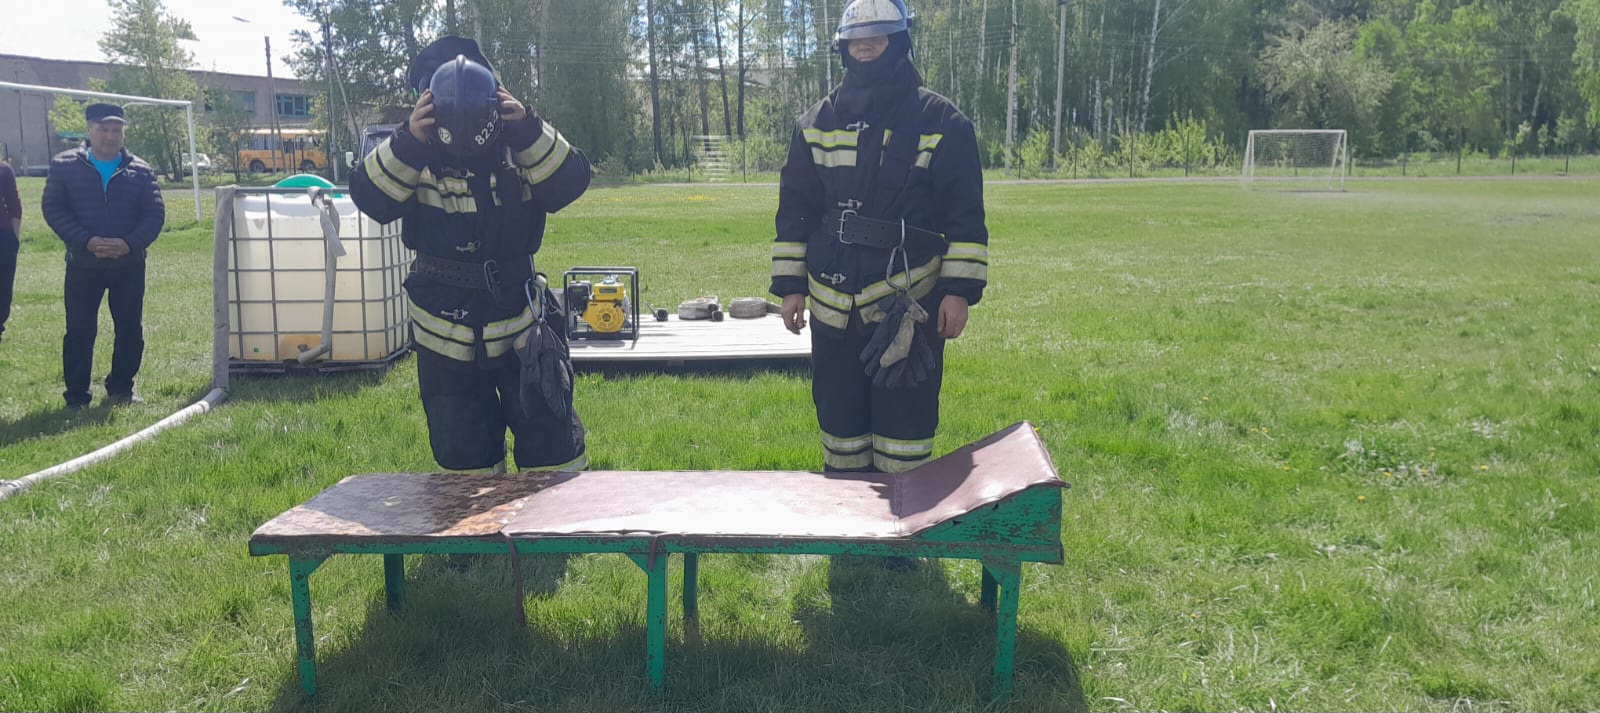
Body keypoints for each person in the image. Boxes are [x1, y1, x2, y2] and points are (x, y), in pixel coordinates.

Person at [350, 37, 591, 473]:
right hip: (443, 333)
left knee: (551, 447)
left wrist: (528, 129)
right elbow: (370, 198)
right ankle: (475, 520)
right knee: (464, 457)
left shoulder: (520, 141)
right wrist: (408, 143)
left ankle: (555, 518)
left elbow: (572, 180)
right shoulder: (411, 151)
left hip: (522, 328)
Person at [770, 0, 989, 476]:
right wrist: (790, 287)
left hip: (910, 302)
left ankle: (904, 517)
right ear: (842, 47)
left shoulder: (942, 122)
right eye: (856, 40)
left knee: (904, 432)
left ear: (899, 41)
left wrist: (958, 292)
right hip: (831, 303)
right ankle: (847, 515)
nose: (865, 47)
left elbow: (965, 218)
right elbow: (795, 212)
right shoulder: (816, 122)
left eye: (876, 37)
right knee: (840, 427)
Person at [41, 103, 164, 409]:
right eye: (103, 129)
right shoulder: (65, 165)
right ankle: (77, 396)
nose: (110, 136)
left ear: (123, 132)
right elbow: (54, 208)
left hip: (128, 265)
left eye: (116, 130)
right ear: (89, 130)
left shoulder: (140, 169)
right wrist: (87, 241)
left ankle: (122, 388)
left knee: (130, 329)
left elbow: (154, 214)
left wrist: (129, 244)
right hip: (83, 264)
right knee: (79, 330)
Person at [0, 158, 20, 344]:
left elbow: (14, 205)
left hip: (3, 236)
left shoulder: (3, 169)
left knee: (3, 285)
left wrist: (14, 237)